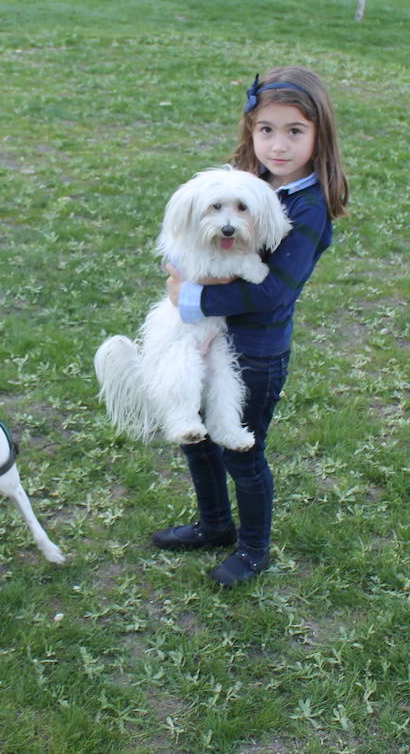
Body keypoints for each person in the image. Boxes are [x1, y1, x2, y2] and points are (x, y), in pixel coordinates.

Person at [153, 66, 349, 588]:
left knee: (240, 448)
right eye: (266, 130)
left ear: (318, 135)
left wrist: (188, 296)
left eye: (294, 131)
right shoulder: (243, 184)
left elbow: (272, 293)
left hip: (256, 351)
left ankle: (255, 547)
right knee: (197, 440)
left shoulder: (309, 208)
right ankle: (215, 524)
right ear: (250, 131)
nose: (278, 145)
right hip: (203, 339)